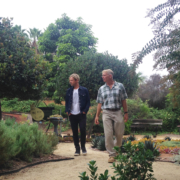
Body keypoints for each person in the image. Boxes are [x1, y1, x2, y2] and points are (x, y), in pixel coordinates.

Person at [95, 69, 128, 163]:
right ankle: (112, 155)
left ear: (110, 76)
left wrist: (126, 113)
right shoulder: (101, 89)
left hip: (117, 112)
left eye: (104, 75)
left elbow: (124, 100)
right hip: (106, 112)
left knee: (119, 134)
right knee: (108, 134)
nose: (102, 77)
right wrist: (97, 116)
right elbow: (99, 103)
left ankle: (116, 151)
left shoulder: (120, 86)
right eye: (102, 75)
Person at [65, 73, 90, 156]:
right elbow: (67, 102)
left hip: (81, 114)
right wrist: (67, 111)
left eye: (71, 80)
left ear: (77, 80)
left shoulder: (84, 90)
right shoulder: (68, 90)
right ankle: (77, 149)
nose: (70, 82)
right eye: (70, 80)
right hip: (72, 114)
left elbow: (88, 102)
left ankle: (83, 147)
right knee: (75, 132)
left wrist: (85, 111)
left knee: (83, 130)